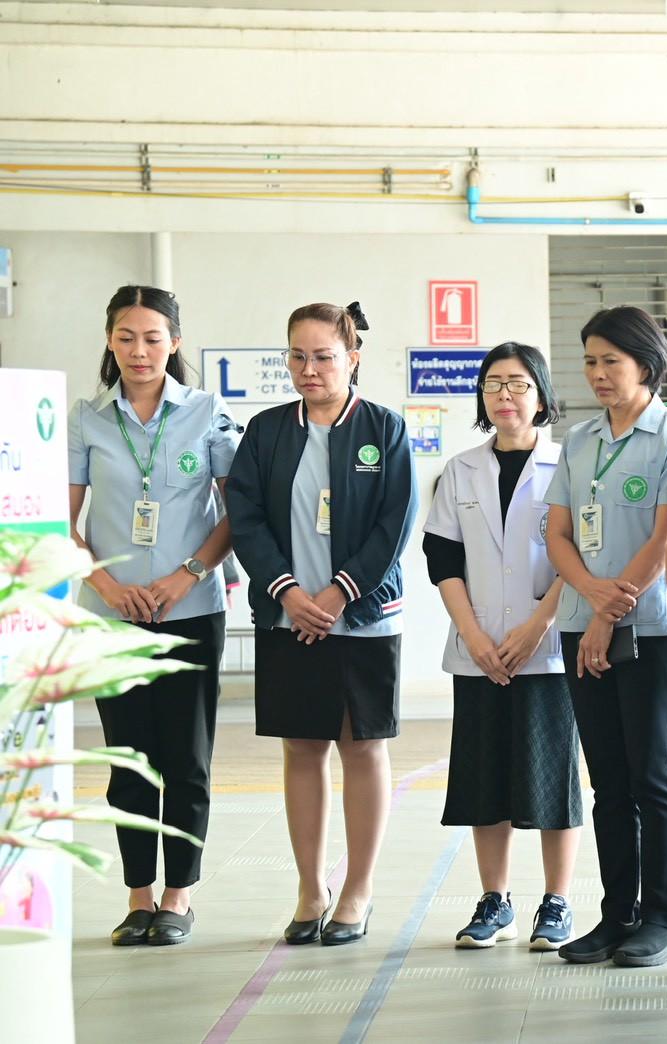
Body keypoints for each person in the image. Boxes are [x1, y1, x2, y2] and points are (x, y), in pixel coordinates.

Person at [227, 301, 417, 947]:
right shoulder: (266, 431)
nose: (309, 369)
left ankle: (357, 891)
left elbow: (395, 523)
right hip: (290, 619)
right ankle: (311, 890)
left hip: (361, 617)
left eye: (324, 357)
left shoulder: (384, 428)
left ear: (352, 358)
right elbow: (246, 517)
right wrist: (287, 591)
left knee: (362, 747)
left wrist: (338, 593)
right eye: (298, 356)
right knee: (303, 748)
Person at [67, 285, 241, 947]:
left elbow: (236, 514)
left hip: (190, 610)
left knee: (187, 760)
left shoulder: (207, 412)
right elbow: (63, 521)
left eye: (152, 338)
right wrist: (107, 587)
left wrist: (185, 575)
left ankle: (179, 896)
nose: (139, 351)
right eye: (126, 337)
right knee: (130, 760)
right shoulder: (87, 418)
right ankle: (138, 896)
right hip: (111, 617)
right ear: (109, 341)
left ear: (174, 342)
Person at [422, 342, 583, 951]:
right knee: (484, 777)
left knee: (553, 777)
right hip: (479, 648)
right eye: (492, 384)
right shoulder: (460, 469)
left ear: (541, 396)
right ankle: (496, 901)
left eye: (517, 384)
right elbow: (443, 559)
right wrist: (472, 634)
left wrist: (539, 625)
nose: (504, 395)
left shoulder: (566, 464)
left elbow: (578, 555)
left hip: (547, 647)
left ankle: (556, 901)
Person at [543, 305, 667, 968]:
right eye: (590, 362)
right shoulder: (580, 440)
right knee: (608, 781)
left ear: (647, 365)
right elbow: (557, 533)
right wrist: (589, 598)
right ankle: (616, 914)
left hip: (649, 629)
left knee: (652, 775)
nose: (598, 373)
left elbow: (665, 537)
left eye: (612, 361)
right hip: (583, 627)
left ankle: (661, 918)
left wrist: (609, 610)